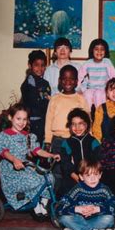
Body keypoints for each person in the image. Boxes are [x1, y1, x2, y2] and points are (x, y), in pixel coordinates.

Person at [0, 104, 60, 218]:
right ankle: (33, 202)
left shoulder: (28, 136)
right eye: (18, 119)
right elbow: (3, 152)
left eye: (24, 119)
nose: (21, 122)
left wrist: (51, 155)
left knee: (49, 177)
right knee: (34, 180)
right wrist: (14, 160)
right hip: (11, 169)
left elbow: (37, 150)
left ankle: (42, 204)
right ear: (10, 118)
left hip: (25, 166)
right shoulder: (3, 136)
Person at [44, 65, 90, 196]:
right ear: (59, 81)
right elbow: (48, 121)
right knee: (57, 171)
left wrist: (88, 137)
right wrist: (48, 141)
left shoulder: (80, 99)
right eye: (64, 79)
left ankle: (74, 196)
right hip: (57, 140)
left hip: (74, 139)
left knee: (75, 169)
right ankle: (55, 198)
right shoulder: (55, 99)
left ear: (76, 81)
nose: (68, 82)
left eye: (71, 79)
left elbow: (87, 120)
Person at [57, 159, 115, 230]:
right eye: (88, 175)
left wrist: (98, 209)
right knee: (64, 218)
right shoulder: (77, 189)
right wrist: (77, 209)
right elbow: (59, 208)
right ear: (81, 177)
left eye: (96, 174)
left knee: (109, 219)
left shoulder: (104, 189)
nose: (92, 179)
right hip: (79, 219)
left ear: (100, 175)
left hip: (97, 220)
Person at [59, 108, 101, 195]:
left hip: (92, 176)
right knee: (65, 191)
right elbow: (65, 163)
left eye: (80, 124)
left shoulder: (93, 142)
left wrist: (91, 176)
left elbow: (99, 160)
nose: (77, 128)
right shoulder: (66, 143)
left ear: (86, 125)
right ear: (70, 126)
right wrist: (76, 177)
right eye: (73, 124)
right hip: (74, 177)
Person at [20, 50, 51, 145]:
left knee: (41, 147)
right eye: (36, 65)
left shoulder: (45, 83)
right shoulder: (27, 84)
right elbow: (32, 102)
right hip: (30, 123)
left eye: (42, 65)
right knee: (31, 148)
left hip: (43, 121)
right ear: (30, 65)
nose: (40, 68)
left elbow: (47, 103)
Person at [78, 39, 115, 110]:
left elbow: (114, 76)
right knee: (87, 94)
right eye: (96, 49)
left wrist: (113, 89)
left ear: (105, 51)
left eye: (102, 49)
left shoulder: (107, 62)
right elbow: (79, 76)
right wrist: (78, 89)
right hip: (91, 88)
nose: (99, 51)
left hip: (103, 89)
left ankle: (100, 114)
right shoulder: (88, 63)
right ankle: (87, 115)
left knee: (98, 94)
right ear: (92, 50)